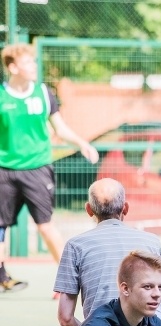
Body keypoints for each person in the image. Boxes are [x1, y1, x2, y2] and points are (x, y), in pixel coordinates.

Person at [1, 178, 161, 326]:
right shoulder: (152, 243)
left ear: (89, 210)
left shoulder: (77, 245)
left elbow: (65, 318)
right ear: (125, 208)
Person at [0, 44, 99, 292]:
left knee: (45, 225)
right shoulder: (2, 95)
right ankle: (2, 276)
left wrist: (82, 144)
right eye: (28, 62)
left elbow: (60, 129)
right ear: (13, 67)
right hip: (4, 170)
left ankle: (68, 282)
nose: (34, 66)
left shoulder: (43, 93)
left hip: (37, 168)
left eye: (34, 62)